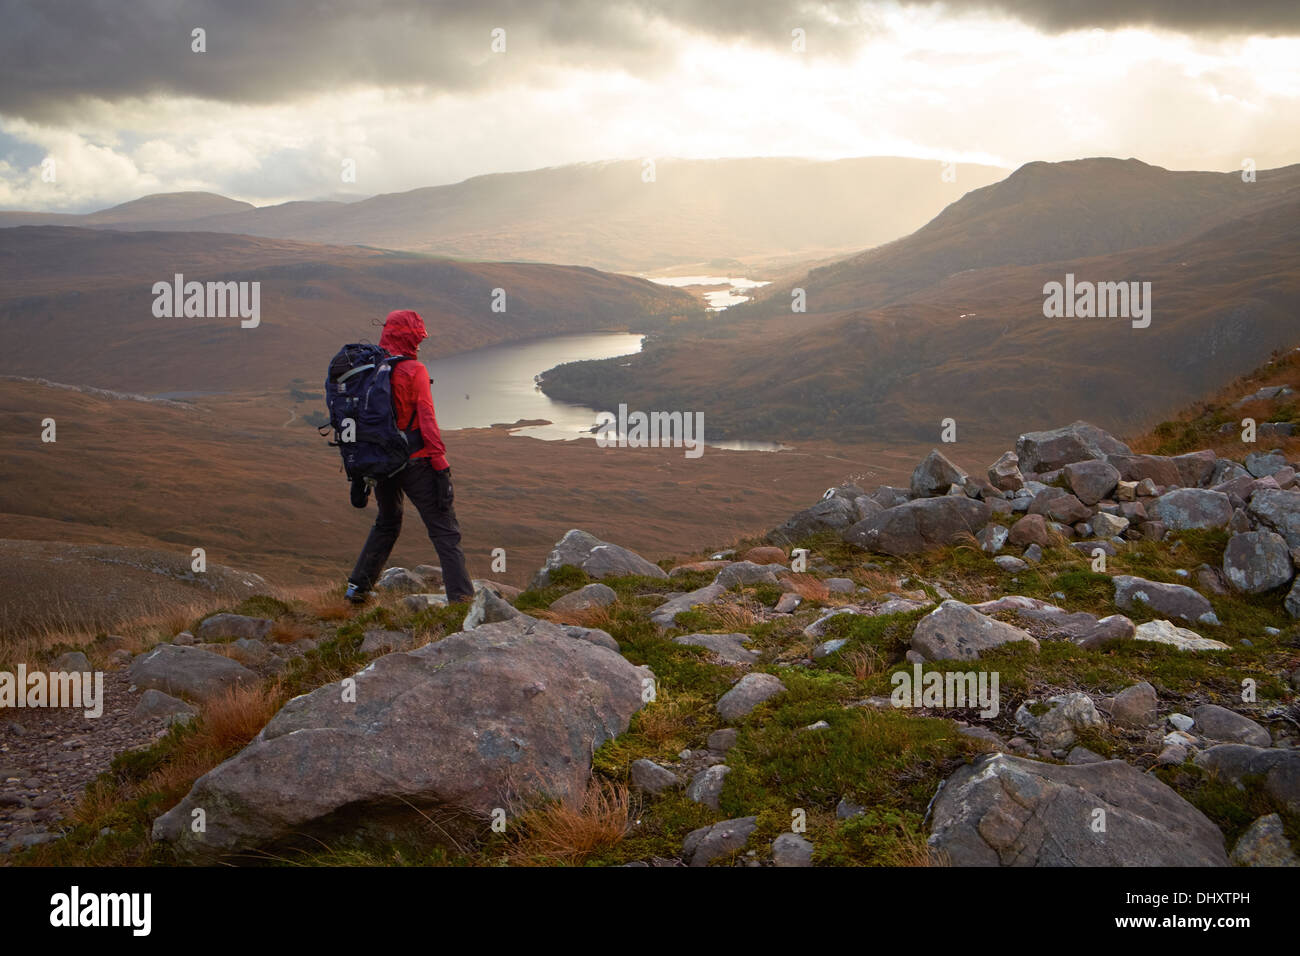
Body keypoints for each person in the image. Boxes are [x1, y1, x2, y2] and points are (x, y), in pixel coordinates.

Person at [345, 309, 475, 604]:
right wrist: (440, 465)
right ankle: (462, 600)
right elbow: (426, 419)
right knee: (445, 531)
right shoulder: (414, 370)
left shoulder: (369, 368)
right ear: (413, 337)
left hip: (380, 462)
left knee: (387, 522)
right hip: (415, 461)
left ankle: (357, 589)